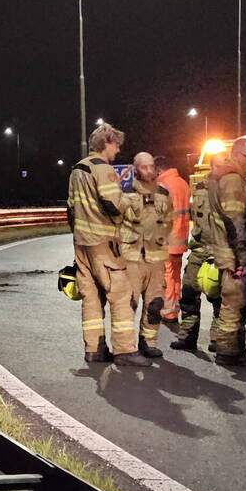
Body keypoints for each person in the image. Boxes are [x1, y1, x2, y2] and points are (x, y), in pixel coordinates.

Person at [68, 123, 150, 366]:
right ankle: (125, 351)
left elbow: (71, 209)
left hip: (82, 243)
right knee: (121, 295)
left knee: (91, 297)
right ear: (106, 143)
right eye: (116, 145)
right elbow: (113, 205)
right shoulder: (104, 169)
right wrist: (130, 200)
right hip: (104, 243)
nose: (118, 150)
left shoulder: (77, 169)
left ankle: (94, 349)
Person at [205, 137, 246, 366]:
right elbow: (236, 221)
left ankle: (232, 347)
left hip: (226, 250)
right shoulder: (233, 181)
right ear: (237, 153)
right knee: (235, 302)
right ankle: (228, 351)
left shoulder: (222, 177)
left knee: (232, 301)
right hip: (234, 253)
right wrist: (244, 256)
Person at [170, 153, 225, 352]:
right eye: (217, 165)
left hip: (221, 251)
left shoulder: (233, 188)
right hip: (199, 250)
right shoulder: (200, 188)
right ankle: (187, 338)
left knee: (218, 297)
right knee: (189, 294)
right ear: (210, 166)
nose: (220, 169)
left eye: (223, 165)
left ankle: (217, 340)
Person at [121, 152, 171, 358]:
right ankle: (125, 346)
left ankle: (148, 342)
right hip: (131, 256)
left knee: (155, 304)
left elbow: (169, 221)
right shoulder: (124, 192)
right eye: (144, 167)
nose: (149, 170)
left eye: (151, 166)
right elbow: (114, 222)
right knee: (128, 304)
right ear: (135, 169)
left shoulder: (163, 194)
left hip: (156, 257)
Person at [156, 156, 190, 332]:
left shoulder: (163, 185)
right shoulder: (182, 183)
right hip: (180, 237)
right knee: (175, 276)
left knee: (166, 276)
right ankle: (173, 309)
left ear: (159, 170)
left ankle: (168, 312)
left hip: (166, 238)